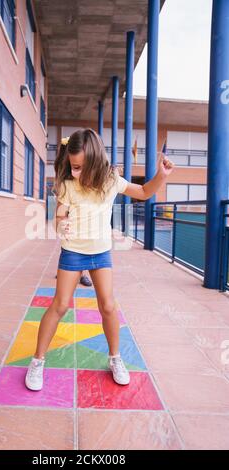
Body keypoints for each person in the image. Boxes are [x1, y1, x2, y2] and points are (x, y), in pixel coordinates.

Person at [26, 128, 174, 391]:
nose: (75, 172)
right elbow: (60, 216)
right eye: (73, 167)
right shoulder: (68, 186)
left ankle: (115, 359)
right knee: (59, 305)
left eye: (80, 167)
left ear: (95, 163)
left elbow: (142, 192)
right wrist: (61, 225)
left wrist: (160, 177)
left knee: (108, 306)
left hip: (101, 252)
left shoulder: (111, 182)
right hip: (73, 251)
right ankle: (38, 361)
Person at [54, 137, 93, 287]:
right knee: (70, 241)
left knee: (76, 239)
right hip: (68, 202)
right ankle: (68, 270)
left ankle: (80, 272)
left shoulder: (79, 162)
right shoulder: (63, 167)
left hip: (77, 203)